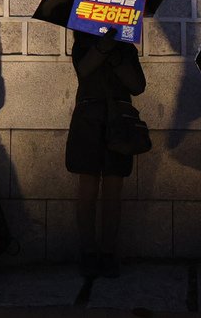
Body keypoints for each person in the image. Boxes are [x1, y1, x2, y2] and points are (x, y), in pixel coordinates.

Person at [65, 30, 146, 279]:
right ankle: (88, 252)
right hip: (89, 121)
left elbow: (137, 86)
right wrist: (102, 48)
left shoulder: (126, 49)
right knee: (87, 187)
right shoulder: (82, 45)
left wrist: (116, 55)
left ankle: (109, 252)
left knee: (113, 188)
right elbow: (84, 71)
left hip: (119, 122)